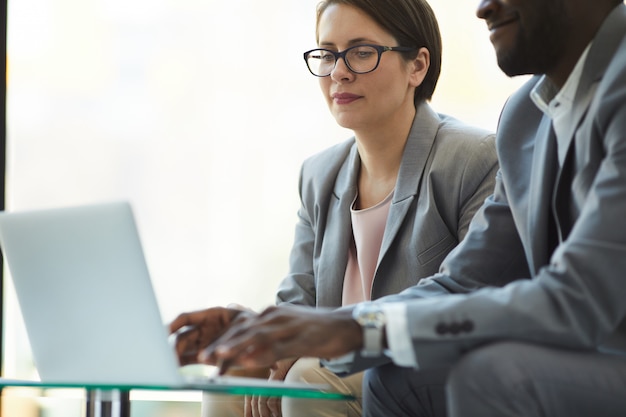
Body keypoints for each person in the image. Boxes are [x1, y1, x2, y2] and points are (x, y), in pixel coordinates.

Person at [171, 0, 626, 416]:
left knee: (475, 373)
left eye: (362, 52)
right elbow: (464, 280)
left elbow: (571, 295)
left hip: (597, 357)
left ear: (417, 66)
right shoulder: (527, 116)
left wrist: (354, 332)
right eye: (328, 54)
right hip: (562, 353)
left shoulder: (476, 154)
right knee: (375, 378)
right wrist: (273, 331)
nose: (484, 7)